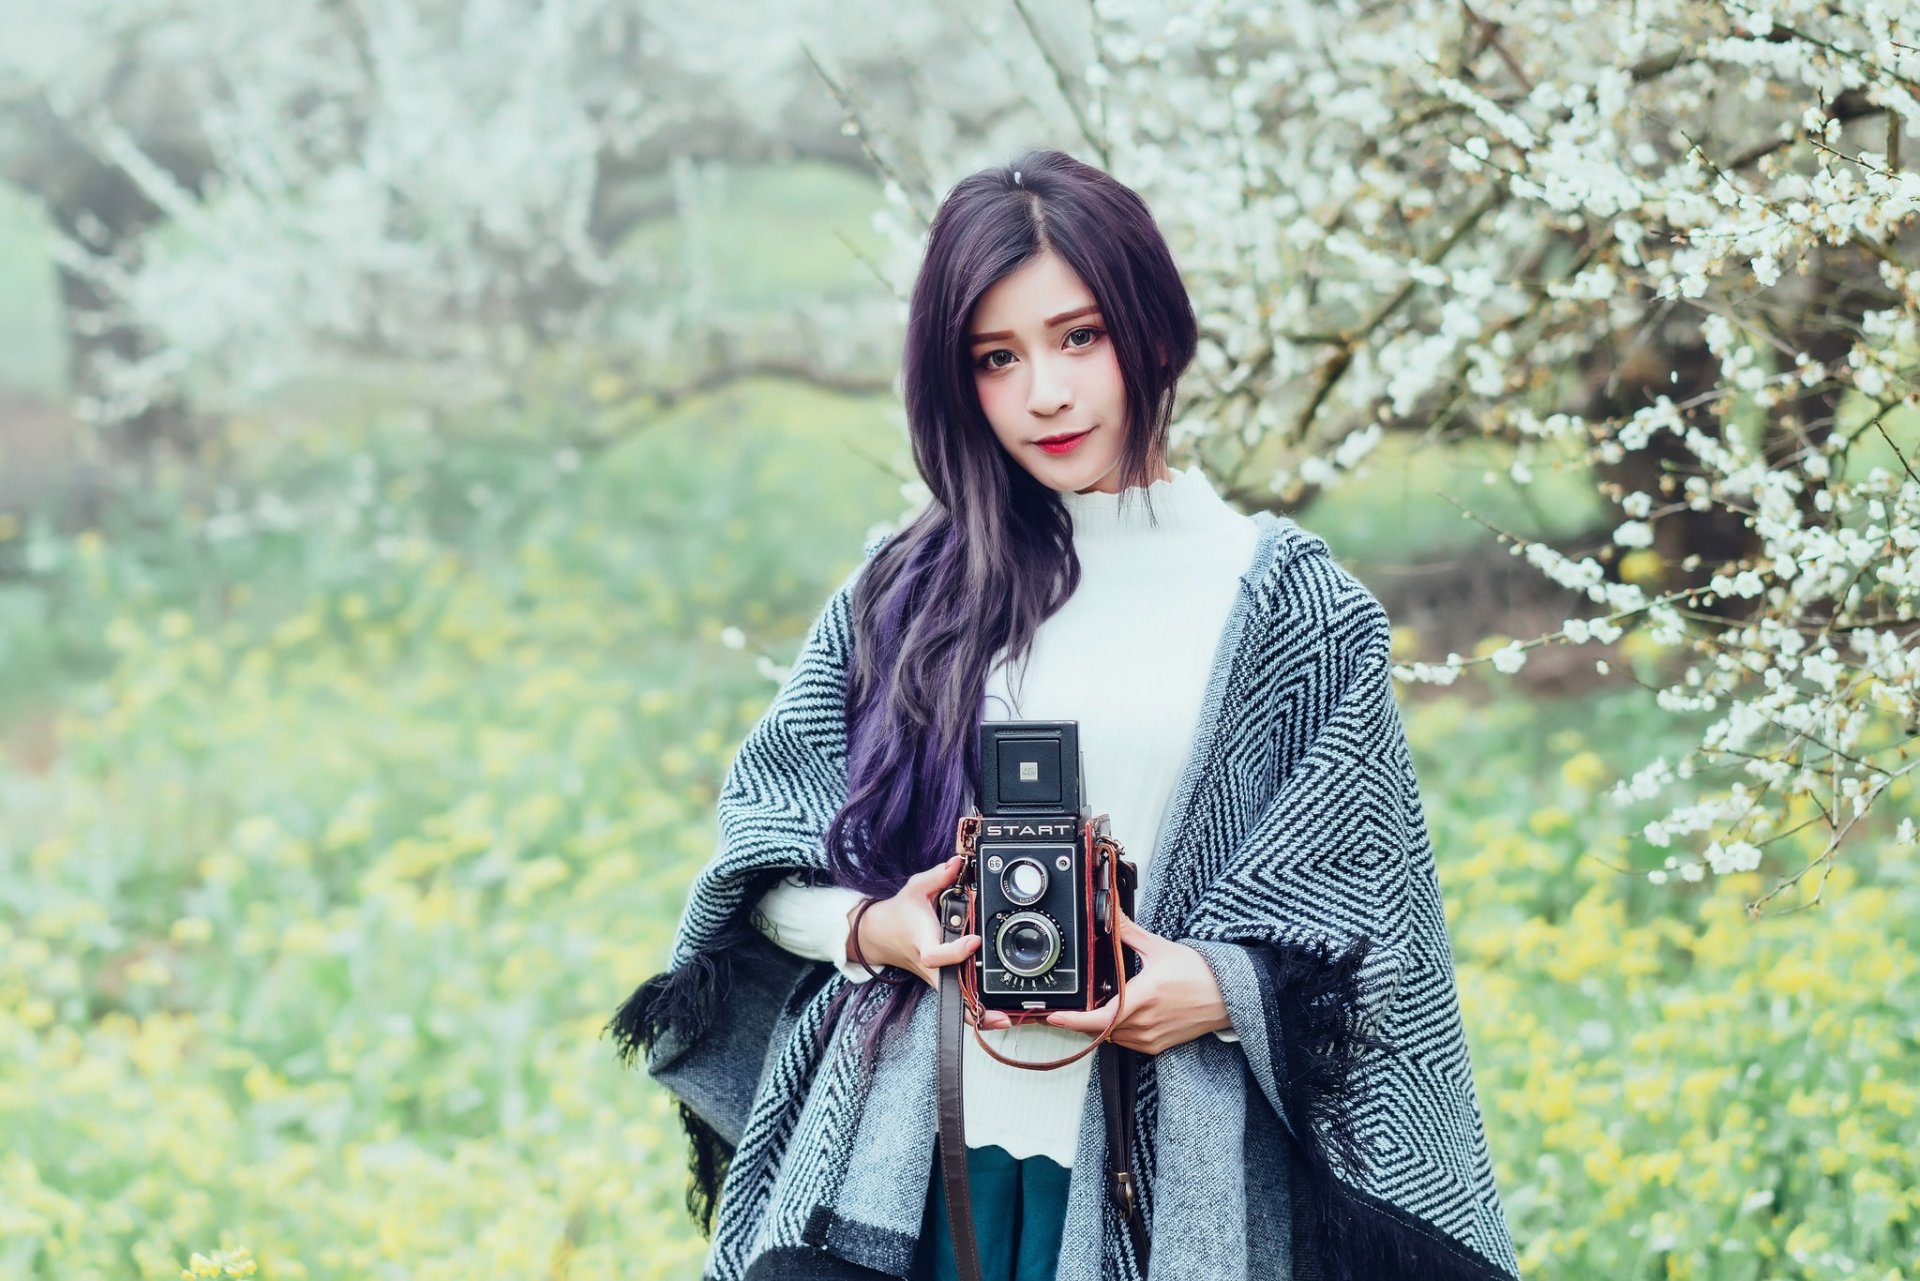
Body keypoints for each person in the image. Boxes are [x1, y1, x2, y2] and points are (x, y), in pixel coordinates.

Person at [611, 148, 1522, 1281]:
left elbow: (1375, 939)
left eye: (1078, 337)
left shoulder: (1294, 612)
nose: (1044, 392)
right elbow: (762, 865)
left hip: (1178, 1192)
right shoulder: (907, 591)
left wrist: (1218, 992)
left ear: (1153, 331)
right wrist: (872, 929)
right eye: (998, 357)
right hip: (913, 1170)